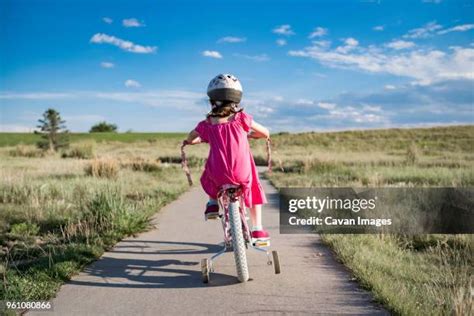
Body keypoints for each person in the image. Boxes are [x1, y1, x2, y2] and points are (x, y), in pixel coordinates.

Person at [184, 74, 270, 242]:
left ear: (212, 100)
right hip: (242, 172)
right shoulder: (242, 119)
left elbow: (190, 138)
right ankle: (258, 230)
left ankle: (212, 204)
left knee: (209, 171)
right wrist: (249, 134)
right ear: (236, 99)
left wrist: (198, 139)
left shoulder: (208, 123)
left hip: (218, 174)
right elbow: (265, 133)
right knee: (253, 188)